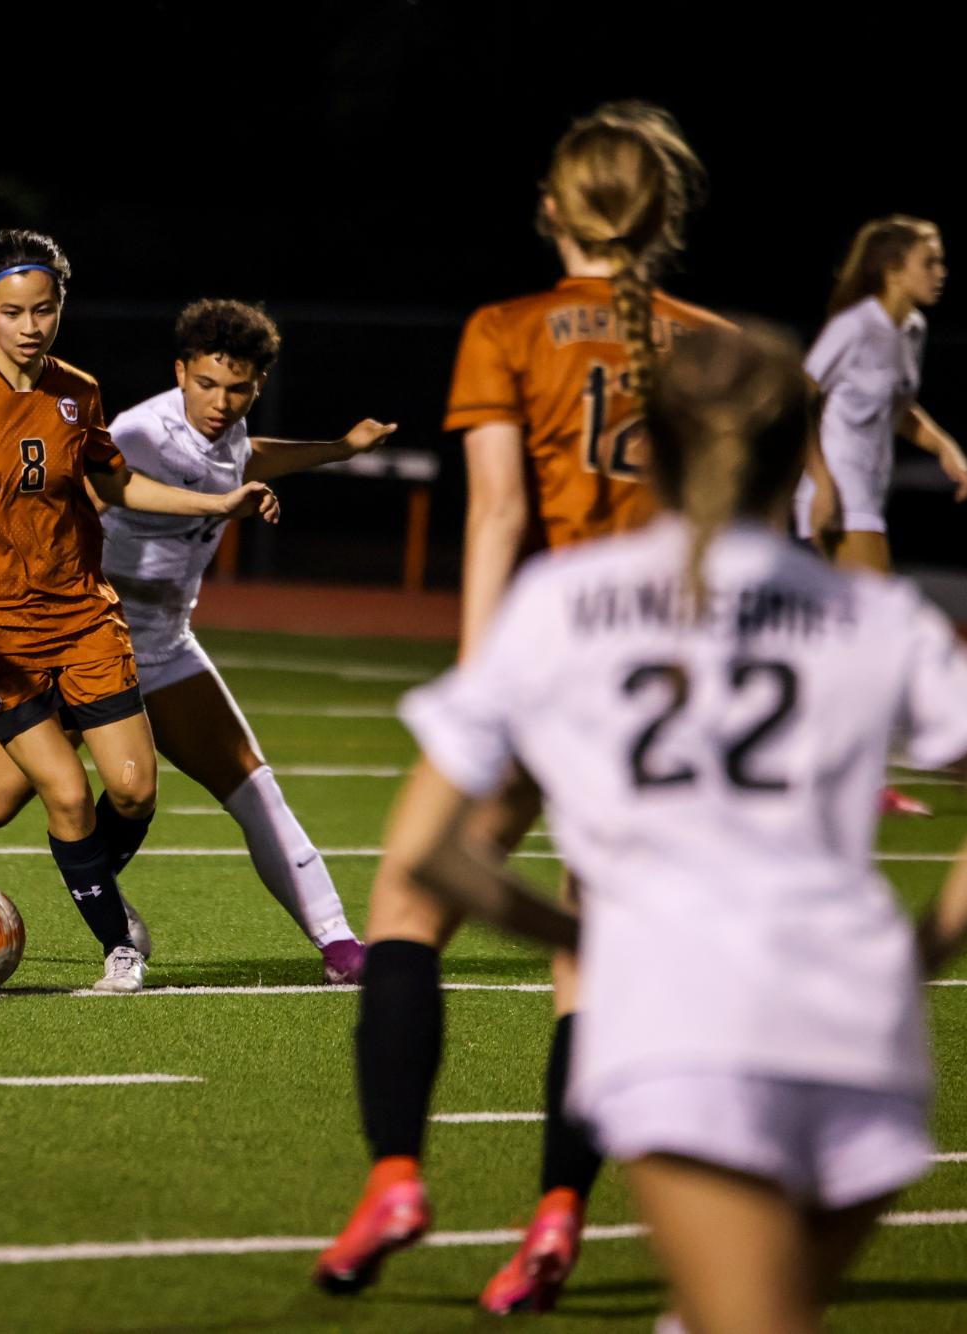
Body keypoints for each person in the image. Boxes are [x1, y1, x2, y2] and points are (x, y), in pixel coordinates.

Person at [365, 322, 967, 1334]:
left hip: (682, 1018)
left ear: (646, 449)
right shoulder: (875, 612)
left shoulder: (562, 600)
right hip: (860, 1020)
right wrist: (920, 950)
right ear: (798, 453)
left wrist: (582, 937)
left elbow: (426, 850)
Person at [316, 101, 744, 1313]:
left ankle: (398, 1173)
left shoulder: (505, 328)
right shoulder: (710, 344)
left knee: (407, 893)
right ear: (664, 217)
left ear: (552, 209)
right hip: (661, 686)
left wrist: (477, 685)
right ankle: (557, 1209)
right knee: (591, 954)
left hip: (548, 662)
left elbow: (500, 515)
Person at [0, 299, 395, 984]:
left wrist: (338, 450)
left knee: (243, 786)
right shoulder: (137, 431)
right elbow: (90, 486)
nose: (220, 402)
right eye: (205, 385)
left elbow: (235, 458)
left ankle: (338, 945)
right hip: (78, 639)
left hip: (162, 646)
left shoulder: (226, 427)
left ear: (256, 387)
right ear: (179, 373)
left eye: (237, 388)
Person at [791, 215, 967, 820]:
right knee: (876, 634)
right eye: (931, 263)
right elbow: (799, 400)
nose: (941, 274)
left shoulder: (912, 328)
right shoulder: (854, 326)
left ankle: (814, 767)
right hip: (839, 499)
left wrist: (942, 444)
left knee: (841, 639)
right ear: (893, 269)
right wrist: (819, 486)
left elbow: (897, 407)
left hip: (866, 498)